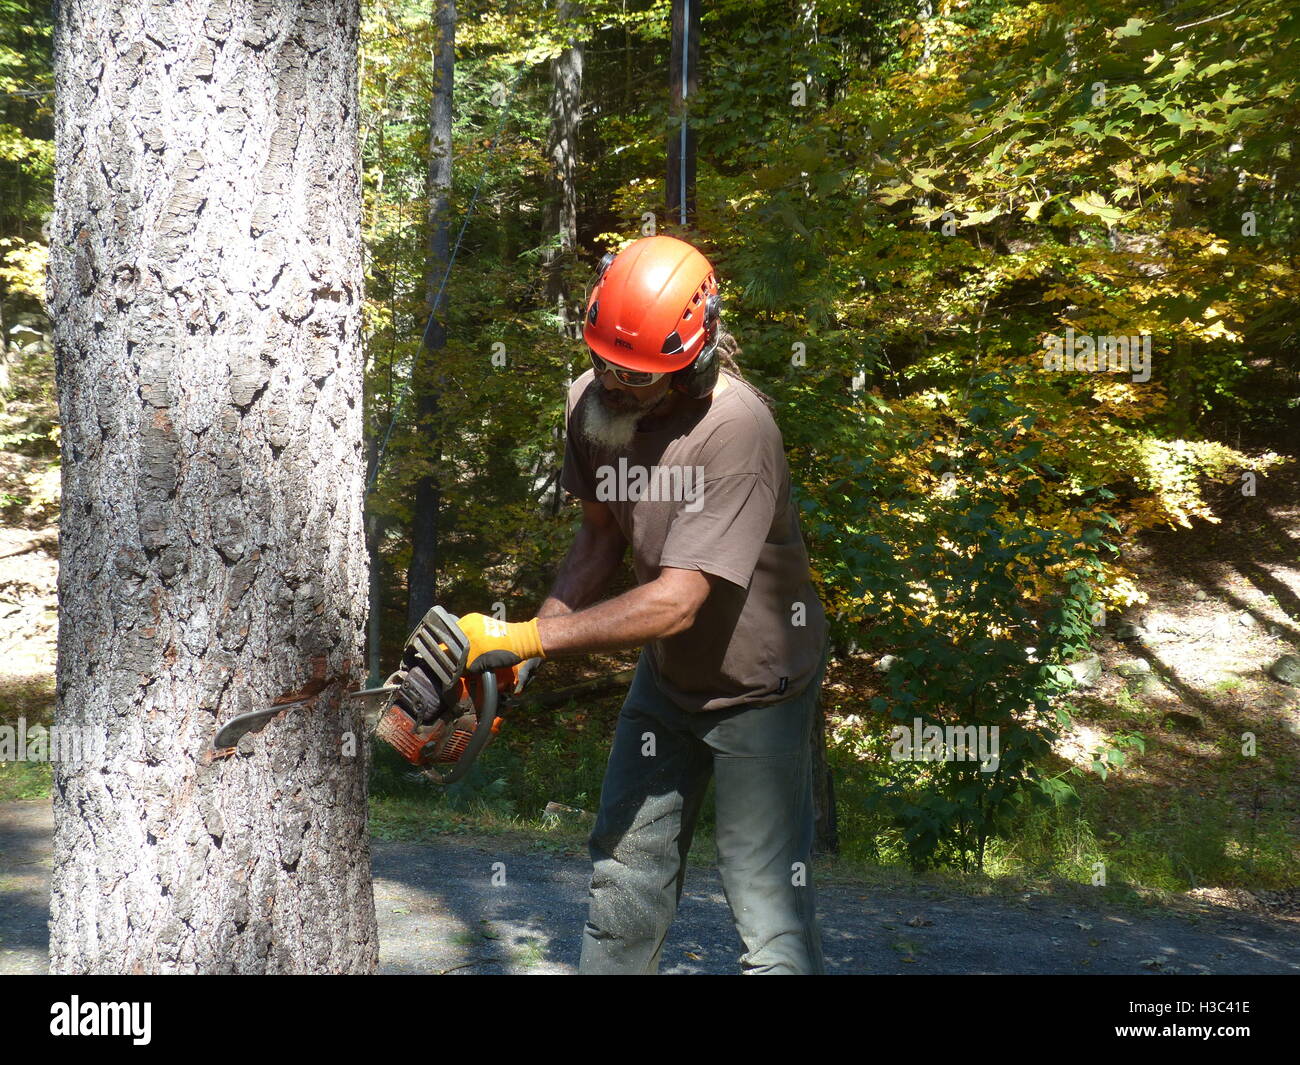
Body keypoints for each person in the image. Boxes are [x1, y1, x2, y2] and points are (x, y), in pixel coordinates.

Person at [453, 234, 830, 974]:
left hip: (759, 687)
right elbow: (598, 538)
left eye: (637, 374)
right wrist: (525, 650)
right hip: (667, 681)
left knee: (767, 909)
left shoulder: (735, 431)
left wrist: (529, 638)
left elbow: (678, 600)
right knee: (625, 870)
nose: (613, 382)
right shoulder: (592, 408)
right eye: (602, 361)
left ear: (695, 361)